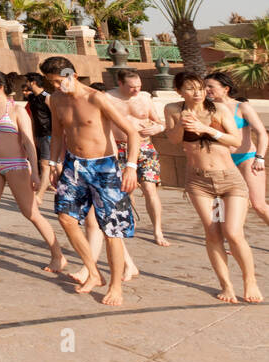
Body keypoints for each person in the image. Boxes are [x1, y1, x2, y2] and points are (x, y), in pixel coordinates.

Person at [40, 56, 139, 306]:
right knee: (65, 217)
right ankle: (93, 272)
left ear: (71, 74)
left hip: (104, 167)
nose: (55, 86)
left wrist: (131, 167)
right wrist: (53, 164)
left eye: (58, 81)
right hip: (74, 166)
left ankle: (116, 286)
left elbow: (131, 132)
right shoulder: (56, 100)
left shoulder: (96, 98)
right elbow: (57, 134)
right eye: (51, 82)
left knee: (111, 230)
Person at [166, 72, 260, 303]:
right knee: (213, 233)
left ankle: (250, 281)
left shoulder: (218, 110)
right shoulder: (172, 109)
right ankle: (226, 285)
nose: (197, 93)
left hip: (229, 179)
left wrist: (208, 129)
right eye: (190, 89)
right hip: (199, 182)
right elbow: (174, 141)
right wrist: (183, 123)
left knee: (233, 232)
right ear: (179, 92)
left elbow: (236, 141)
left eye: (200, 87)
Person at [0, 71, 65, 273]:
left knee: (31, 212)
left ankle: (58, 255)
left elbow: (29, 143)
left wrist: (36, 173)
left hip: (16, 164)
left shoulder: (17, 110)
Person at [107, 69, 169, 245]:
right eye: (132, 87)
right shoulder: (107, 98)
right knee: (126, 190)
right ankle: (128, 224)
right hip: (118, 148)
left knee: (150, 188)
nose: (136, 90)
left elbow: (159, 121)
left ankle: (158, 230)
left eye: (139, 86)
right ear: (120, 83)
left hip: (144, 147)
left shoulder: (144, 98)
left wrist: (159, 127)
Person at [204, 72, 269, 229]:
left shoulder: (241, 107)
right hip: (223, 162)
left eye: (210, 86)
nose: (206, 90)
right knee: (224, 206)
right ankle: (231, 240)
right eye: (204, 86)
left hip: (247, 158)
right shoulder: (207, 108)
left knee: (258, 204)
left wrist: (259, 158)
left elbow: (262, 133)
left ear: (226, 88)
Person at [25, 73, 54, 201]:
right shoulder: (32, 98)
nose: (26, 84)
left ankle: (40, 195)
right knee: (51, 165)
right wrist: (31, 134)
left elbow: (56, 117)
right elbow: (32, 118)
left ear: (33, 82)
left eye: (27, 81)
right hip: (38, 135)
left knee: (44, 164)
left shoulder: (47, 98)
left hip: (49, 134)